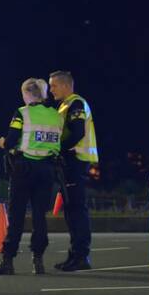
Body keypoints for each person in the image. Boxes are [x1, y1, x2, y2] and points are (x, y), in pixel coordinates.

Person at [0, 78, 63, 276]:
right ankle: (38, 260)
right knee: (40, 216)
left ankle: (8, 260)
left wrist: (4, 143)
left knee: (17, 216)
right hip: (47, 170)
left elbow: (11, 140)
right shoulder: (55, 115)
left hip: (24, 169)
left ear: (28, 94)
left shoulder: (22, 112)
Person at [48, 70, 98, 271]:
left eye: (54, 86)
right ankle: (75, 255)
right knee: (71, 210)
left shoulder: (75, 104)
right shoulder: (65, 106)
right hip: (71, 161)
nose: (51, 90)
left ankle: (81, 256)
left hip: (76, 159)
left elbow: (77, 132)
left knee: (76, 210)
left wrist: (58, 148)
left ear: (66, 85)